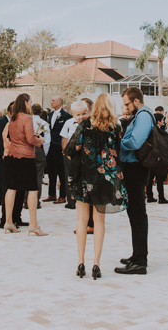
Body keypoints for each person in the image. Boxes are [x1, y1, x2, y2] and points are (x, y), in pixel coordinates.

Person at [66, 93, 127, 280]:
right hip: (105, 180)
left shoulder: (85, 125)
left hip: (84, 179)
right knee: (99, 222)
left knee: (81, 220)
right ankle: (96, 263)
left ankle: (80, 261)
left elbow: (69, 149)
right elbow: (119, 152)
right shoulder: (116, 127)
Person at [115, 87, 154, 275]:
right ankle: (137, 254)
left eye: (127, 103)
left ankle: (140, 260)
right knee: (135, 215)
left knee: (138, 215)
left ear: (136, 101)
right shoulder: (139, 116)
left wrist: (120, 142)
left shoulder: (144, 116)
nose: (125, 107)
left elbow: (135, 142)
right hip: (132, 168)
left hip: (136, 169)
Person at [2, 94, 46, 236]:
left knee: (11, 188)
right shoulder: (27, 118)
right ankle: (34, 225)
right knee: (32, 190)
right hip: (26, 157)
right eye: (30, 102)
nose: (31, 105)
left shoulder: (12, 119)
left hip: (12, 156)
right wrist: (40, 140)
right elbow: (30, 139)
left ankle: (8, 221)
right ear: (25, 103)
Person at [60, 101, 89, 210]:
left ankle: (83, 197)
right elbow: (64, 138)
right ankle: (71, 201)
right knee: (70, 175)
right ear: (73, 115)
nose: (81, 117)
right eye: (78, 115)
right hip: (71, 153)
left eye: (83, 114)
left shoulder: (89, 124)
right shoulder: (69, 123)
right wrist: (65, 151)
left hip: (84, 154)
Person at [44, 96, 72, 205]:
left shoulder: (66, 116)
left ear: (59, 102)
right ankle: (52, 194)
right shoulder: (50, 115)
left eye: (53, 100)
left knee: (61, 171)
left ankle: (62, 195)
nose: (51, 102)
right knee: (51, 171)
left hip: (59, 146)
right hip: (50, 146)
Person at [145, 113, 168, 204]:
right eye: (162, 120)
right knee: (159, 178)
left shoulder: (150, 130)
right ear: (158, 121)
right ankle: (161, 197)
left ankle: (150, 196)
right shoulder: (159, 132)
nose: (163, 122)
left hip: (151, 157)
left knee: (150, 177)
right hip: (158, 157)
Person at [31, 104, 51, 203]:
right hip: (39, 149)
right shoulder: (44, 123)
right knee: (38, 176)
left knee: (28, 176)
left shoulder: (27, 121)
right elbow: (47, 141)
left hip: (28, 149)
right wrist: (44, 152)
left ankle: (27, 200)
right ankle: (36, 201)